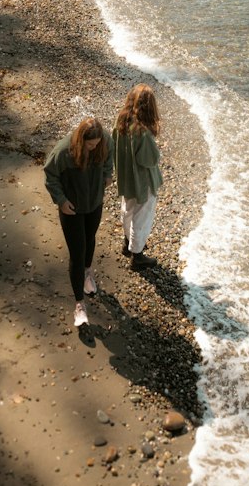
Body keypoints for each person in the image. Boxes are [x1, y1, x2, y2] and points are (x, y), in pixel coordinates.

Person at [44, 116, 113, 327]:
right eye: (90, 145)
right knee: (77, 251)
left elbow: (109, 157)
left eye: (96, 144)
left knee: (90, 238)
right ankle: (79, 305)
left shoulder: (105, 141)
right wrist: (61, 200)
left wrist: (108, 174)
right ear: (80, 140)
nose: (94, 148)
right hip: (71, 209)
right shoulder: (64, 152)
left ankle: (87, 272)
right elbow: (50, 175)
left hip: (94, 203)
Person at [112, 84, 163, 269]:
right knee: (142, 217)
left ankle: (128, 243)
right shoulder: (142, 131)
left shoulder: (121, 121)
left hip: (126, 177)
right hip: (142, 182)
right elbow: (150, 160)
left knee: (128, 209)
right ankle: (137, 255)